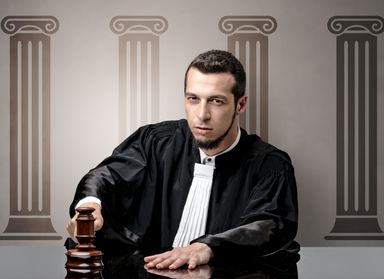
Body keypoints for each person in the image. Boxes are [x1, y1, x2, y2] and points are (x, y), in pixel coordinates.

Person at [66, 49, 299, 270]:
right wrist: (89, 207)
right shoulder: (155, 141)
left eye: (216, 101)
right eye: (193, 99)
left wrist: (207, 248)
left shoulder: (271, 166)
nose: (202, 114)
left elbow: (269, 226)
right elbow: (107, 174)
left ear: (240, 104)